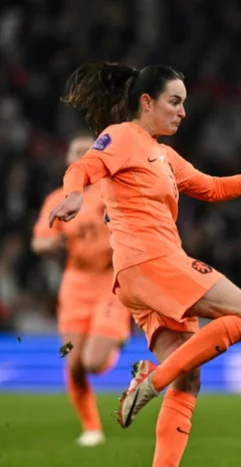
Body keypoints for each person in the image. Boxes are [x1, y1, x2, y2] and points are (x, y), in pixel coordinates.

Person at [49, 60, 241, 467]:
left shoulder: (162, 155)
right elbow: (86, 165)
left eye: (184, 103)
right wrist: (74, 192)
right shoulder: (125, 136)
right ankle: (148, 383)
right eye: (174, 102)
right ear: (146, 102)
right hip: (152, 263)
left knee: (189, 377)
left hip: (145, 273)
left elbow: (211, 187)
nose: (183, 112)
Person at [32, 132, 132, 447]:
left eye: (84, 151)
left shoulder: (110, 190)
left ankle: (115, 341)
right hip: (75, 285)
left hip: (110, 284)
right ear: (66, 160)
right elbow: (38, 240)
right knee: (74, 363)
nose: (79, 156)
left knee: (93, 362)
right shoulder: (57, 198)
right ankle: (91, 428)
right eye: (74, 151)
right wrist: (53, 242)